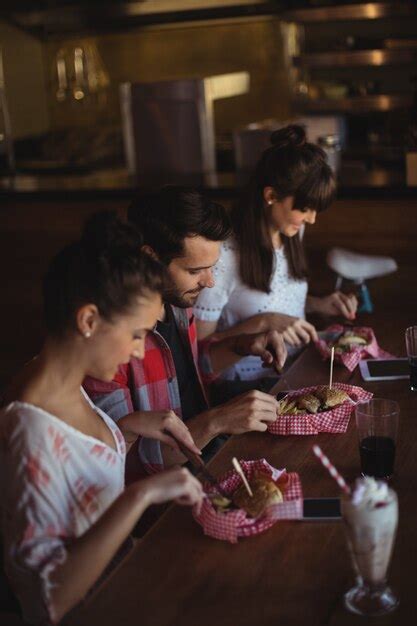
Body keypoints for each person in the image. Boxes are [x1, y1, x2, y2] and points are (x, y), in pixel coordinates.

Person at [0, 213, 204, 624]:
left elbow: (77, 479)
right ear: (88, 320)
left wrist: (127, 429)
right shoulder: (29, 429)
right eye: (136, 334)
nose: (137, 350)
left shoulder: (63, 381)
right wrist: (141, 495)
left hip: (125, 588)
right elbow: (48, 599)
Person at [84, 187, 287, 476]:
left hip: (210, 457)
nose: (209, 282)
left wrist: (240, 346)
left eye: (211, 268)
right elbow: (126, 462)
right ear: (151, 258)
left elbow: (187, 371)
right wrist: (217, 421)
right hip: (168, 489)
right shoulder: (112, 338)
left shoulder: (178, 301)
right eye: (195, 271)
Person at [194, 124, 358, 381]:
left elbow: (277, 298)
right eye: (305, 208)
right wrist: (264, 322)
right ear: (271, 195)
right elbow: (198, 351)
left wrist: (318, 303)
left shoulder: (291, 231)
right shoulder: (223, 255)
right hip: (248, 388)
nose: (311, 219)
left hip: (297, 371)